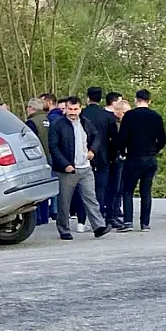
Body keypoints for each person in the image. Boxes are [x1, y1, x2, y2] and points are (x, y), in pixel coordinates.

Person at [47, 96, 110, 240]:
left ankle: (99, 226)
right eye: (70, 109)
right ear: (65, 109)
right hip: (67, 169)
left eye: (75, 109)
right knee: (64, 201)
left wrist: (92, 150)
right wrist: (65, 164)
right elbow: (53, 147)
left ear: (80, 109)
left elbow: (96, 137)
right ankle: (64, 229)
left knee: (91, 197)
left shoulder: (86, 123)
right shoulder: (58, 125)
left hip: (85, 168)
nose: (73, 112)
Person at [116, 89, 166, 232]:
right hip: (150, 158)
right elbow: (162, 139)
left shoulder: (130, 116)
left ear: (135, 99)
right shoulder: (156, 116)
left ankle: (128, 222)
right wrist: (154, 150)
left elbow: (122, 137)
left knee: (128, 191)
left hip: (133, 157)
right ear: (149, 100)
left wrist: (122, 152)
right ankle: (145, 223)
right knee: (146, 191)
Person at [80, 86, 118, 227]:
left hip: (83, 155)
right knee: (101, 188)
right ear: (101, 98)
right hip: (103, 156)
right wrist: (113, 156)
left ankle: (82, 219)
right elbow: (114, 139)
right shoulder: (107, 116)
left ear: (87, 97)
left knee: (83, 189)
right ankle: (99, 218)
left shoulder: (81, 114)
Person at [25, 97, 52, 225]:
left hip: (38, 159)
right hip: (50, 157)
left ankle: (38, 219)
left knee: (37, 190)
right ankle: (45, 217)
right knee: (45, 189)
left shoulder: (32, 123)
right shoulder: (48, 120)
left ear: (31, 108)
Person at [105, 99, 130, 229]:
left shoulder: (126, 123)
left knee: (120, 188)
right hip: (115, 159)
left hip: (123, 158)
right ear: (117, 111)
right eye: (124, 112)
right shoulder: (112, 123)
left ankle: (116, 212)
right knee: (114, 188)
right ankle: (111, 215)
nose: (127, 115)